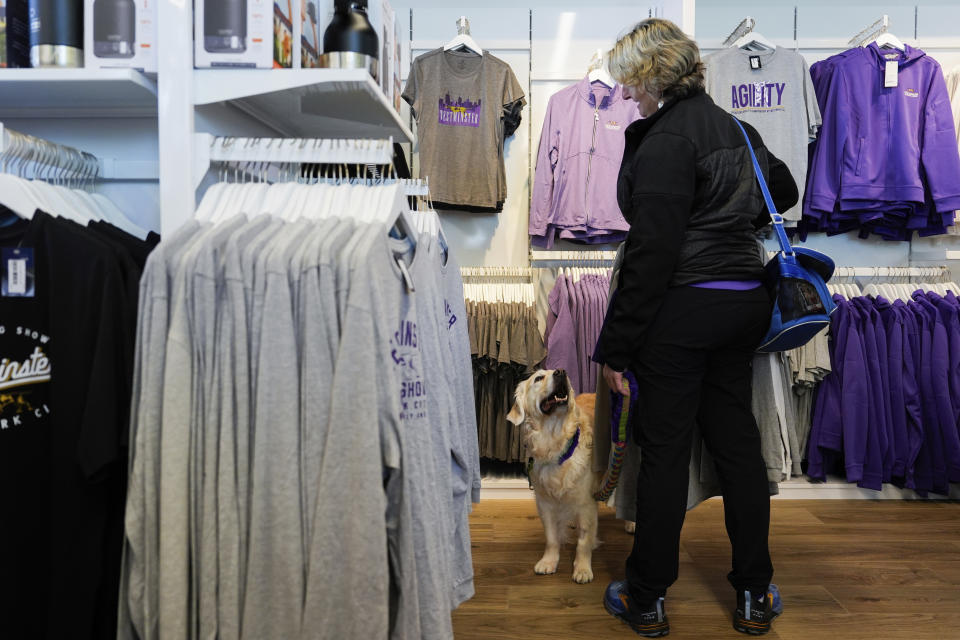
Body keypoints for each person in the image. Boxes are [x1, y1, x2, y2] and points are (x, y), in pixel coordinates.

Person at [593, 18, 799, 637]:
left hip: (682, 309)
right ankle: (754, 594)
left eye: (630, 79)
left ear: (652, 74)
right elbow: (782, 190)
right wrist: (728, 211)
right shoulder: (737, 127)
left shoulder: (666, 140)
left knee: (665, 452)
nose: (626, 93)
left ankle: (647, 596)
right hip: (742, 304)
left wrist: (616, 348)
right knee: (737, 445)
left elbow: (652, 256)